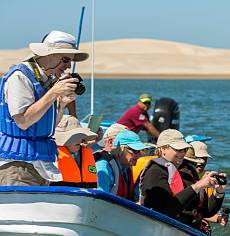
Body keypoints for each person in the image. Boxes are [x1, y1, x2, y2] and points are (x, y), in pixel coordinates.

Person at [0, 31, 88, 186]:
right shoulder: (20, 77)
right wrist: (54, 93)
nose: (68, 66)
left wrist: (61, 105)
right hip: (18, 165)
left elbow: (48, 126)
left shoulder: (46, 80)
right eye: (66, 60)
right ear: (48, 55)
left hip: (41, 165)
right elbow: (23, 121)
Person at [140, 129, 226, 228]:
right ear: (163, 149)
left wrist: (219, 193)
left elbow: (206, 212)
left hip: (190, 230)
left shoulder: (189, 172)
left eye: (184, 149)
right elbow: (165, 210)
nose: (182, 154)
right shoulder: (155, 172)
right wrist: (197, 186)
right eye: (178, 149)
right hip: (164, 228)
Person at [182, 141, 230, 232]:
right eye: (199, 158)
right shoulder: (179, 176)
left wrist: (218, 218)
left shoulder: (210, 181)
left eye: (205, 158)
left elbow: (203, 211)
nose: (202, 162)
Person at [95, 130, 147, 200]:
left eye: (140, 151)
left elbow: (136, 198)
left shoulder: (127, 167)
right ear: (120, 149)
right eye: (135, 151)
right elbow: (99, 199)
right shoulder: (103, 166)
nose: (139, 155)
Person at [51, 116, 98, 188]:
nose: (80, 140)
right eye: (75, 137)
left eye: (80, 136)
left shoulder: (84, 151)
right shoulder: (50, 157)